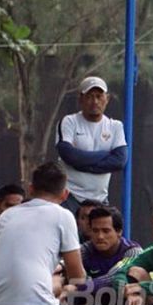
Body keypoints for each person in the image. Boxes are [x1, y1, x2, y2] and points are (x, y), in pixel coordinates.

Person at [0, 162, 108, 305]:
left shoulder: (7, 215)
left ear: (30, 189)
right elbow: (78, 276)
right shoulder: (63, 215)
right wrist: (61, 285)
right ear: (65, 194)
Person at [55, 76, 127, 214]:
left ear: (107, 99)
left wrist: (81, 164)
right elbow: (69, 156)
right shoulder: (69, 122)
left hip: (100, 198)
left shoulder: (115, 126)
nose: (95, 101)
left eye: (99, 96)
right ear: (81, 99)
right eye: (90, 96)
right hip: (69, 197)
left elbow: (119, 161)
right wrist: (105, 155)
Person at [77, 206, 143, 305]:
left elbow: (113, 277)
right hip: (90, 301)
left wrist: (80, 287)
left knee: (118, 284)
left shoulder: (133, 251)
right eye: (95, 231)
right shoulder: (86, 249)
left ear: (119, 232)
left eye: (106, 231)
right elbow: (67, 264)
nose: (100, 236)